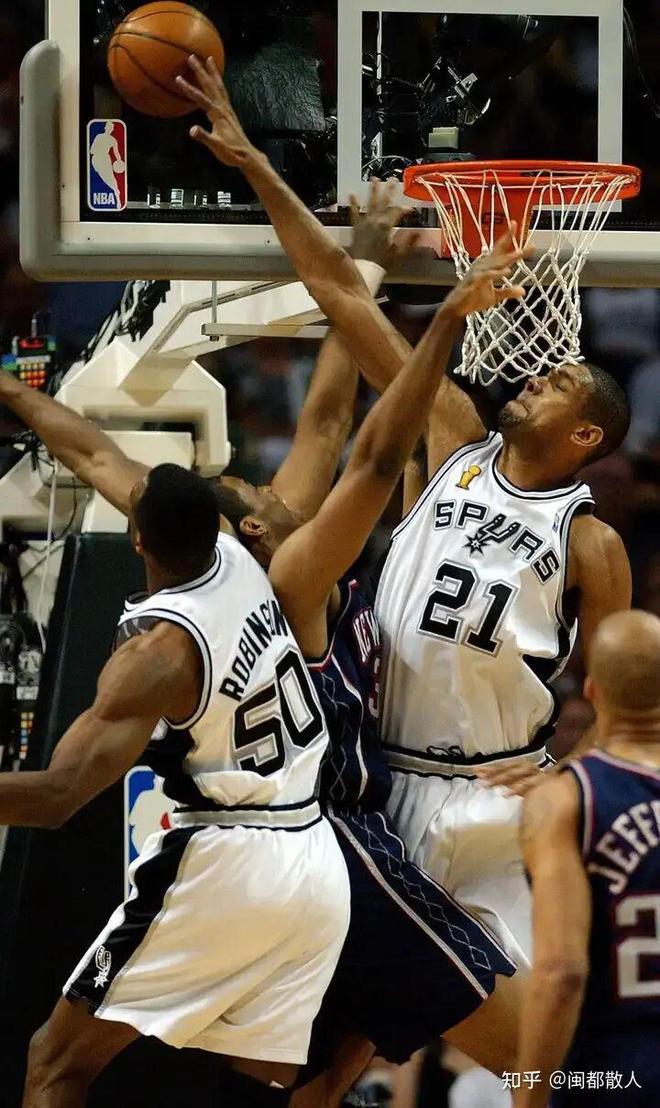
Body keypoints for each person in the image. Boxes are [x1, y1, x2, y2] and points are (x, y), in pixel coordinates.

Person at [0, 198, 522, 1103]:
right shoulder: (273, 570)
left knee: (58, 1063)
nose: (268, 485)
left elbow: (328, 429)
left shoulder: (249, 588)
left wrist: (379, 284)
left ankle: (590, 1072)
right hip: (319, 850)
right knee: (299, 1082)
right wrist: (391, 291)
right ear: (235, 529)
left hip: (274, 844)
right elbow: (344, 443)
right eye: (249, 484)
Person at [174, 55, 633, 971]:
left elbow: (622, 698)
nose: (534, 377)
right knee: (349, 1021)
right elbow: (341, 295)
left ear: (585, 435)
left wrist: (576, 772)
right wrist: (253, 162)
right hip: (378, 781)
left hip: (494, 801)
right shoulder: (453, 435)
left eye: (558, 382)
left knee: (521, 1018)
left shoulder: (592, 542)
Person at [0, 463, 350, 1108]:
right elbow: (98, 457)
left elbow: (55, 799)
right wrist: (32, 411)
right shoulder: (240, 557)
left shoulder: (157, 655)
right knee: (253, 1092)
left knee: (54, 1062)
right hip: (316, 861)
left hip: (230, 859)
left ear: (137, 538)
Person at [515, 610, 660, 1107]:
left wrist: (527, 1096)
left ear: (593, 692)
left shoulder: (568, 800)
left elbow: (562, 972)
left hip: (615, 1075)